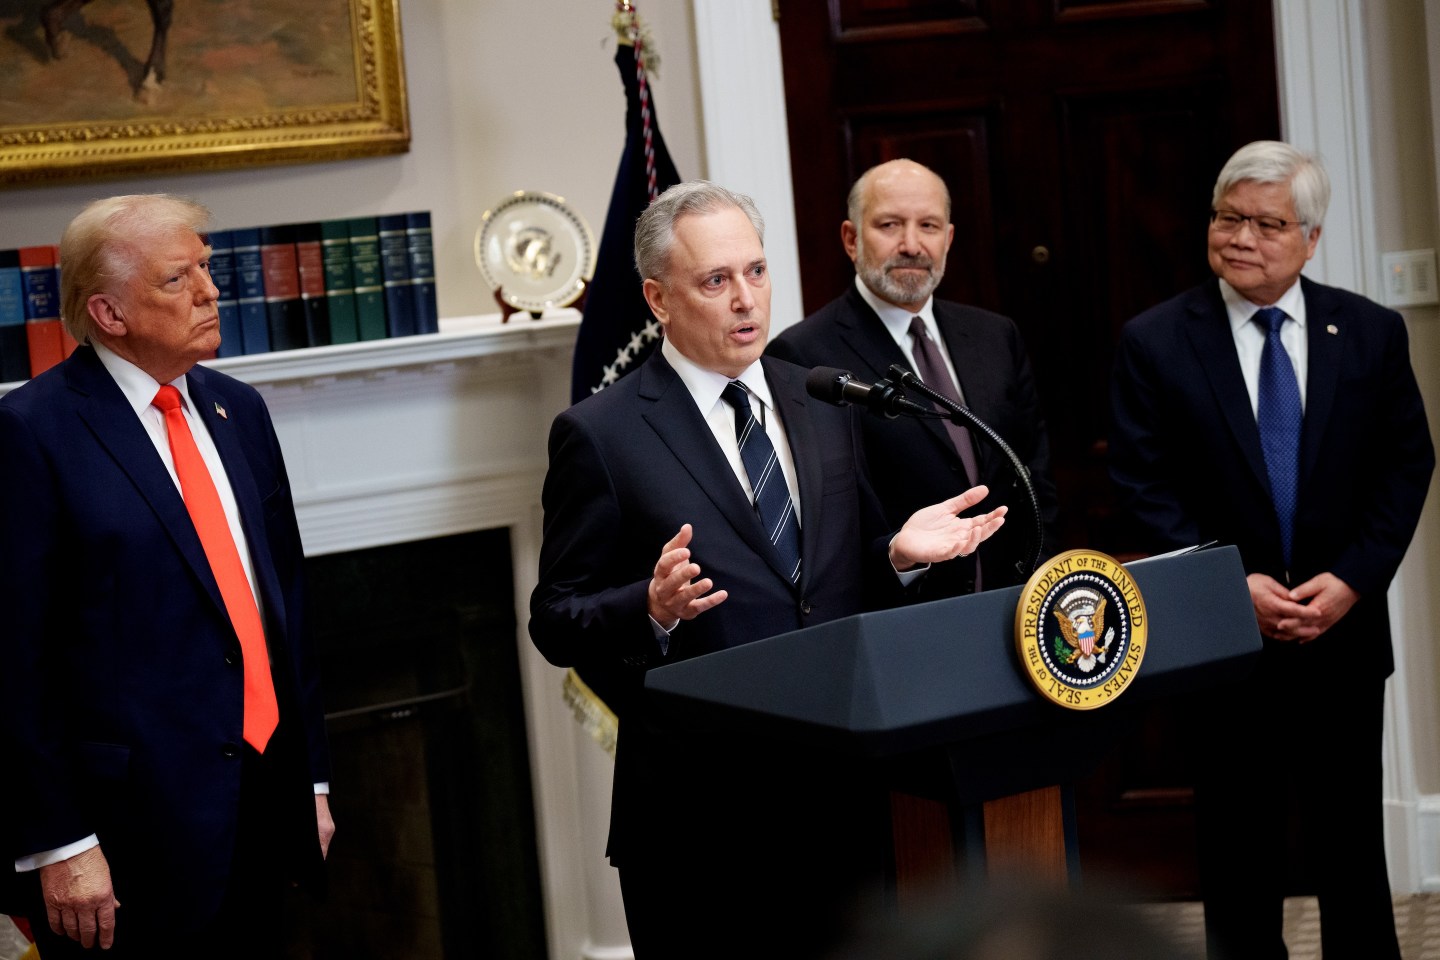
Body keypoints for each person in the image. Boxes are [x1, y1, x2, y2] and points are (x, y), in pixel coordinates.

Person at [529, 180, 1006, 957]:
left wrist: (896, 554)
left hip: (842, 794)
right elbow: (555, 617)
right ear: (658, 298)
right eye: (716, 281)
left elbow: (829, 587)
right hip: (699, 819)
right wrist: (650, 606)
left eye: (755, 272)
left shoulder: (820, 395)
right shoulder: (602, 433)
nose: (745, 299)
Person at [1109, 141, 1433, 959]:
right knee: (1238, 855)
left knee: (1350, 852)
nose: (1242, 237)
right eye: (1228, 218)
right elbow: (1142, 487)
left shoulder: (1369, 332)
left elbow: (1407, 465)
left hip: (1342, 636)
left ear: (1311, 238)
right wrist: (1227, 583)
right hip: (1225, 641)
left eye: (1266, 222)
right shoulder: (1155, 341)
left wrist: (1355, 580)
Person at [0, 195, 334, 957]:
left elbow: (288, 610)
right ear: (109, 314)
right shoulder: (31, 433)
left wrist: (307, 781)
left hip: (260, 804)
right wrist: (59, 843)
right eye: (178, 278)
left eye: (206, 269)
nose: (212, 291)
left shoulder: (239, 411)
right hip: (124, 840)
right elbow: (14, 664)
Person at [767, 158, 1058, 596]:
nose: (912, 244)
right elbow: (829, 520)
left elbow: (1034, 471)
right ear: (851, 239)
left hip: (1012, 601)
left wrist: (1039, 580)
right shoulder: (803, 356)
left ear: (949, 238)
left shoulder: (995, 335)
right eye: (889, 225)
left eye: (929, 226)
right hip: (900, 615)